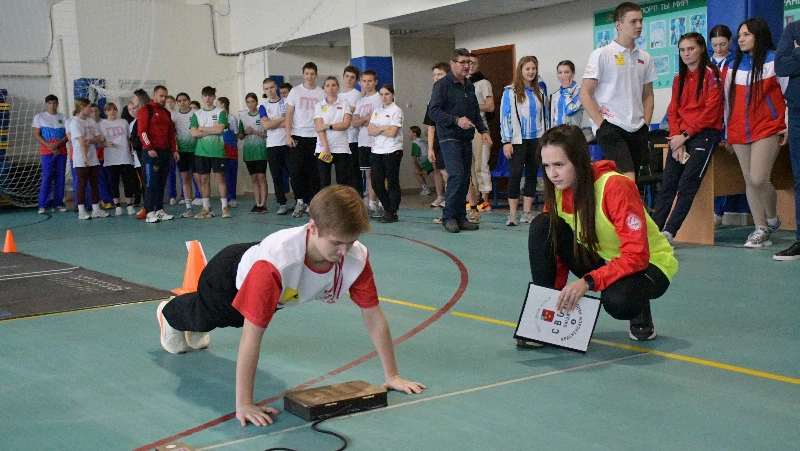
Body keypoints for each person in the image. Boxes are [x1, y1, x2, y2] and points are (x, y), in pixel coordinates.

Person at [156, 185, 426, 427]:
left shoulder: (354, 257)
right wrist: (245, 404)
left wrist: (392, 375)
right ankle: (169, 313)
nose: (344, 252)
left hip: (275, 288)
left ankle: (189, 317)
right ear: (313, 228)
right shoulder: (275, 264)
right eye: (336, 243)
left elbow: (373, 315)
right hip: (226, 280)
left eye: (351, 242)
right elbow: (252, 336)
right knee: (209, 318)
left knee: (235, 320)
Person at [526, 125, 677, 346]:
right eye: (547, 166)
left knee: (618, 301)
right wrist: (555, 299)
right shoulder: (558, 192)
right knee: (542, 225)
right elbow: (554, 249)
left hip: (648, 263)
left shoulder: (616, 187)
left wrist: (588, 281)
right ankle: (543, 318)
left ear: (578, 160)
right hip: (602, 257)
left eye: (559, 165)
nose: (552, 174)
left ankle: (640, 310)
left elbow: (637, 256)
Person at [652, 33, 724, 246]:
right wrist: (676, 138)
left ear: (701, 49)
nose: (686, 54)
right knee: (668, 185)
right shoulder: (678, 78)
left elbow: (711, 111)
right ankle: (653, 232)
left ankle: (669, 232)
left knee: (686, 184)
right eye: (682, 50)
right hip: (680, 137)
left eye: (691, 49)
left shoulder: (711, 73)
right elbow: (673, 109)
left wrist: (685, 136)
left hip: (704, 134)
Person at [725, 18, 788, 248]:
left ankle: (771, 218)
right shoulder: (732, 65)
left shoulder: (775, 60)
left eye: (746, 35)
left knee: (759, 178)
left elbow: (788, 93)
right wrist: (728, 131)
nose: (740, 39)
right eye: (740, 35)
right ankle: (760, 229)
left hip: (768, 126)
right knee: (749, 181)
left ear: (758, 36)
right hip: (739, 129)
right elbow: (727, 101)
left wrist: (787, 123)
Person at [580, 1, 656, 181]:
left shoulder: (645, 57)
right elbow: (585, 93)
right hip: (611, 126)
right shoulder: (602, 54)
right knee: (628, 177)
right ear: (618, 25)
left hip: (637, 127)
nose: (639, 25)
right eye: (633, 21)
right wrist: (602, 124)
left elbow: (648, 95)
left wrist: (645, 124)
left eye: (640, 21)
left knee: (632, 181)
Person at [428, 48, 492, 233]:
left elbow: (474, 112)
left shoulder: (469, 86)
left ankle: (461, 217)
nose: (466, 66)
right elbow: (434, 111)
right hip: (449, 136)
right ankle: (448, 217)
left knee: (465, 177)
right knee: (456, 174)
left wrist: (483, 130)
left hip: (466, 137)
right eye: (462, 62)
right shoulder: (442, 85)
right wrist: (456, 120)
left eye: (468, 62)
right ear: (453, 64)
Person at [500, 55, 548, 227]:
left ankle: (527, 213)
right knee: (515, 175)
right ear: (521, 70)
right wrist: (507, 141)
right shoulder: (510, 92)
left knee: (532, 175)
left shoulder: (540, 92)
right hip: (518, 140)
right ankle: (512, 214)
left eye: (533, 69)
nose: (531, 72)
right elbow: (505, 117)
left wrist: (545, 138)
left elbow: (545, 116)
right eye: (527, 69)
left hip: (536, 139)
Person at [709, 24, 740, 229]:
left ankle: (718, 213)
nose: (719, 49)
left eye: (722, 44)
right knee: (709, 171)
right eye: (715, 45)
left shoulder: (738, 61)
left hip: (731, 119)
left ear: (730, 42)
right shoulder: (706, 63)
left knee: (726, 170)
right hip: (709, 121)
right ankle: (708, 213)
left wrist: (731, 132)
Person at [285, 62, 325, 218]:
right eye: (307, 73)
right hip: (298, 136)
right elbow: (289, 114)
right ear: (303, 75)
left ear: (316, 75)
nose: (309, 76)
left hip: (315, 136)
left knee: (314, 172)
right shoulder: (295, 92)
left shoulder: (321, 93)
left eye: (312, 74)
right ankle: (300, 201)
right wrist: (288, 134)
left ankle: (312, 203)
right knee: (296, 171)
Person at [775, 14, 800, 260]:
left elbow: (789, 62)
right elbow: (781, 66)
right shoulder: (793, 29)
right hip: (797, 112)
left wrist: (797, 54)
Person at [138, 85, 179, 223]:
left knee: (161, 183)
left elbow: (171, 134)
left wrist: (175, 150)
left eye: (165, 96)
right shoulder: (145, 110)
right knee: (151, 183)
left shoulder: (166, 112)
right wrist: (149, 147)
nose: (163, 99)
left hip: (165, 152)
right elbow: (142, 131)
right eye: (161, 96)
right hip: (151, 153)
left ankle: (159, 211)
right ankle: (150, 213)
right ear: (154, 95)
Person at [191, 86, 230, 219]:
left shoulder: (221, 112)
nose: (208, 98)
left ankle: (225, 207)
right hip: (201, 152)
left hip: (218, 151)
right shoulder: (197, 114)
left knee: (220, 178)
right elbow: (194, 133)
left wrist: (202, 128)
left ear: (214, 97)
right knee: (204, 180)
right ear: (202, 97)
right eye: (205, 95)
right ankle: (205, 208)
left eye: (210, 95)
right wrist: (212, 129)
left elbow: (220, 130)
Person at [368, 84, 404, 223]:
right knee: (376, 182)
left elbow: (393, 133)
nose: (384, 97)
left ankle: (392, 211)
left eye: (387, 94)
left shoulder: (396, 111)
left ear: (393, 95)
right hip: (377, 150)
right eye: (381, 94)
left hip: (392, 150)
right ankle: (388, 208)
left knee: (392, 180)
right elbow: (370, 131)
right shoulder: (377, 111)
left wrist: (378, 129)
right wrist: (383, 128)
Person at [69, 98, 109, 220]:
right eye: (88, 107)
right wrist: (85, 158)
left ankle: (96, 209)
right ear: (82, 107)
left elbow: (98, 138)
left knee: (94, 183)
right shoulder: (75, 122)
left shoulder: (91, 121)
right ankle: (81, 211)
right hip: (81, 158)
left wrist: (91, 141)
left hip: (93, 156)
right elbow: (81, 141)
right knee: (82, 183)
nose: (91, 109)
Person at [466, 53, 495, 219]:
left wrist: (471, 106)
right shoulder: (461, 83)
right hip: (465, 128)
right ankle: (474, 199)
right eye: (468, 63)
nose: (470, 66)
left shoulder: (483, 83)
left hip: (479, 126)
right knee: (469, 166)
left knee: (481, 164)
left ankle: (485, 199)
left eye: (474, 63)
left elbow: (490, 106)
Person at [352, 70, 383, 216]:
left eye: (370, 81)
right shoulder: (360, 101)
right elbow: (354, 122)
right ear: (360, 83)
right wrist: (366, 118)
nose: (367, 84)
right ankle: (372, 203)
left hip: (378, 142)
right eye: (364, 81)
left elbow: (379, 119)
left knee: (380, 174)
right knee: (369, 174)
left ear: (375, 82)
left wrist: (365, 119)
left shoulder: (380, 98)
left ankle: (383, 203)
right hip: (363, 141)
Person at [98, 102, 138, 216]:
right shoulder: (101, 124)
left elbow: (129, 138)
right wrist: (105, 144)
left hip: (124, 156)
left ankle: (129, 205)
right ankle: (118, 206)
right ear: (105, 112)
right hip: (111, 157)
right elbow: (100, 142)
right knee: (114, 182)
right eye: (109, 109)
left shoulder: (123, 122)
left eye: (114, 109)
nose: (112, 111)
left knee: (127, 181)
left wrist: (132, 148)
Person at [314, 76, 353, 189]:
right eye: (327, 85)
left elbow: (346, 124)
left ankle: (342, 201)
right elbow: (319, 128)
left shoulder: (345, 104)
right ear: (324, 88)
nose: (331, 88)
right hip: (323, 148)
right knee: (324, 181)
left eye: (333, 85)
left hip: (341, 148)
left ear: (338, 87)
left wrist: (328, 126)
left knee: (343, 182)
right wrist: (326, 147)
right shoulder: (319, 105)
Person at [259, 78, 291, 215]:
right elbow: (266, 125)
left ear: (276, 87)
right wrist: (283, 119)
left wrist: (274, 123)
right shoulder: (263, 107)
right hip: (272, 145)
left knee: (294, 173)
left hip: (287, 143)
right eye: (266, 89)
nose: (270, 91)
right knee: (276, 176)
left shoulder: (287, 102)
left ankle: (300, 201)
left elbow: (291, 122)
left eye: (271, 87)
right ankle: (282, 203)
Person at [33, 94, 69, 214]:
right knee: (47, 176)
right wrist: (49, 146)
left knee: (60, 177)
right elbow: (37, 134)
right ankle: (43, 204)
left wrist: (57, 144)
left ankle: (58, 203)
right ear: (46, 104)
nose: (52, 106)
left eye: (54, 103)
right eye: (49, 103)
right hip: (46, 153)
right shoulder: (39, 117)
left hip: (61, 152)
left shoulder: (63, 118)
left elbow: (67, 135)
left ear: (57, 104)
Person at [172, 92, 201, 218]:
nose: (182, 102)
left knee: (199, 178)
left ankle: (206, 205)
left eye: (184, 100)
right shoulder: (174, 116)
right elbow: (172, 134)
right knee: (185, 178)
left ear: (189, 101)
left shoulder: (196, 113)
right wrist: (175, 150)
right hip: (181, 152)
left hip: (196, 150)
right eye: (179, 101)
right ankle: (189, 207)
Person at [425, 62, 449, 212]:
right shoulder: (433, 97)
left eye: (440, 74)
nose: (436, 77)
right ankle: (443, 197)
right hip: (438, 140)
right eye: (434, 75)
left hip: (451, 139)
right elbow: (430, 125)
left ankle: (455, 200)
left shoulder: (452, 95)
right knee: (440, 170)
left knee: (449, 172)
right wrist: (430, 148)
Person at [239, 92, 269, 213]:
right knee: (254, 178)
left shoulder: (262, 116)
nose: (250, 104)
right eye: (248, 102)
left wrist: (255, 132)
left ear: (256, 102)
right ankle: (257, 203)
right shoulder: (243, 117)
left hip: (260, 151)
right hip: (249, 152)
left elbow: (267, 134)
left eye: (252, 102)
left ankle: (263, 204)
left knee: (262, 177)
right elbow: (240, 136)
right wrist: (245, 132)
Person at [339, 65, 364, 195]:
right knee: (343, 172)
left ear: (356, 80)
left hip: (352, 138)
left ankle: (357, 197)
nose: (349, 79)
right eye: (347, 76)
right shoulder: (338, 95)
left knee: (354, 171)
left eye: (352, 77)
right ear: (343, 77)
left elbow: (348, 113)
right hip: (339, 139)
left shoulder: (357, 95)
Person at [218, 96, 240, 210]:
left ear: (223, 105)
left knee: (232, 174)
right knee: (223, 174)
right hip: (220, 149)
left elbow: (236, 135)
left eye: (218, 104)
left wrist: (230, 145)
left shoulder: (232, 118)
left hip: (231, 149)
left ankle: (232, 198)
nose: (216, 106)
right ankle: (225, 197)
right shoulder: (217, 118)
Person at [409, 126, 433, 196]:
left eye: (409, 132)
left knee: (417, 171)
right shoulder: (422, 140)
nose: (408, 134)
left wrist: (418, 167)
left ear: (414, 133)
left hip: (427, 163)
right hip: (431, 161)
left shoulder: (415, 143)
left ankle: (426, 189)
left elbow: (414, 158)